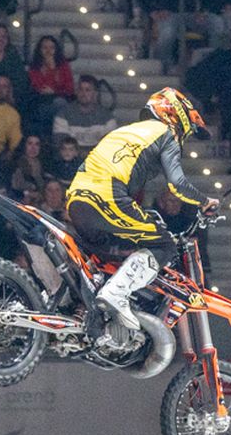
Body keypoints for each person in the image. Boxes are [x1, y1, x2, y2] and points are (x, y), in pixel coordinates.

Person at [65, 87, 217, 340]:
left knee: (106, 255)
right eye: (186, 131)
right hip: (106, 196)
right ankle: (117, 293)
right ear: (176, 115)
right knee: (163, 244)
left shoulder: (127, 131)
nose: (184, 138)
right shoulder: (165, 133)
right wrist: (204, 201)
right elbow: (177, 184)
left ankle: (86, 314)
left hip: (77, 198)